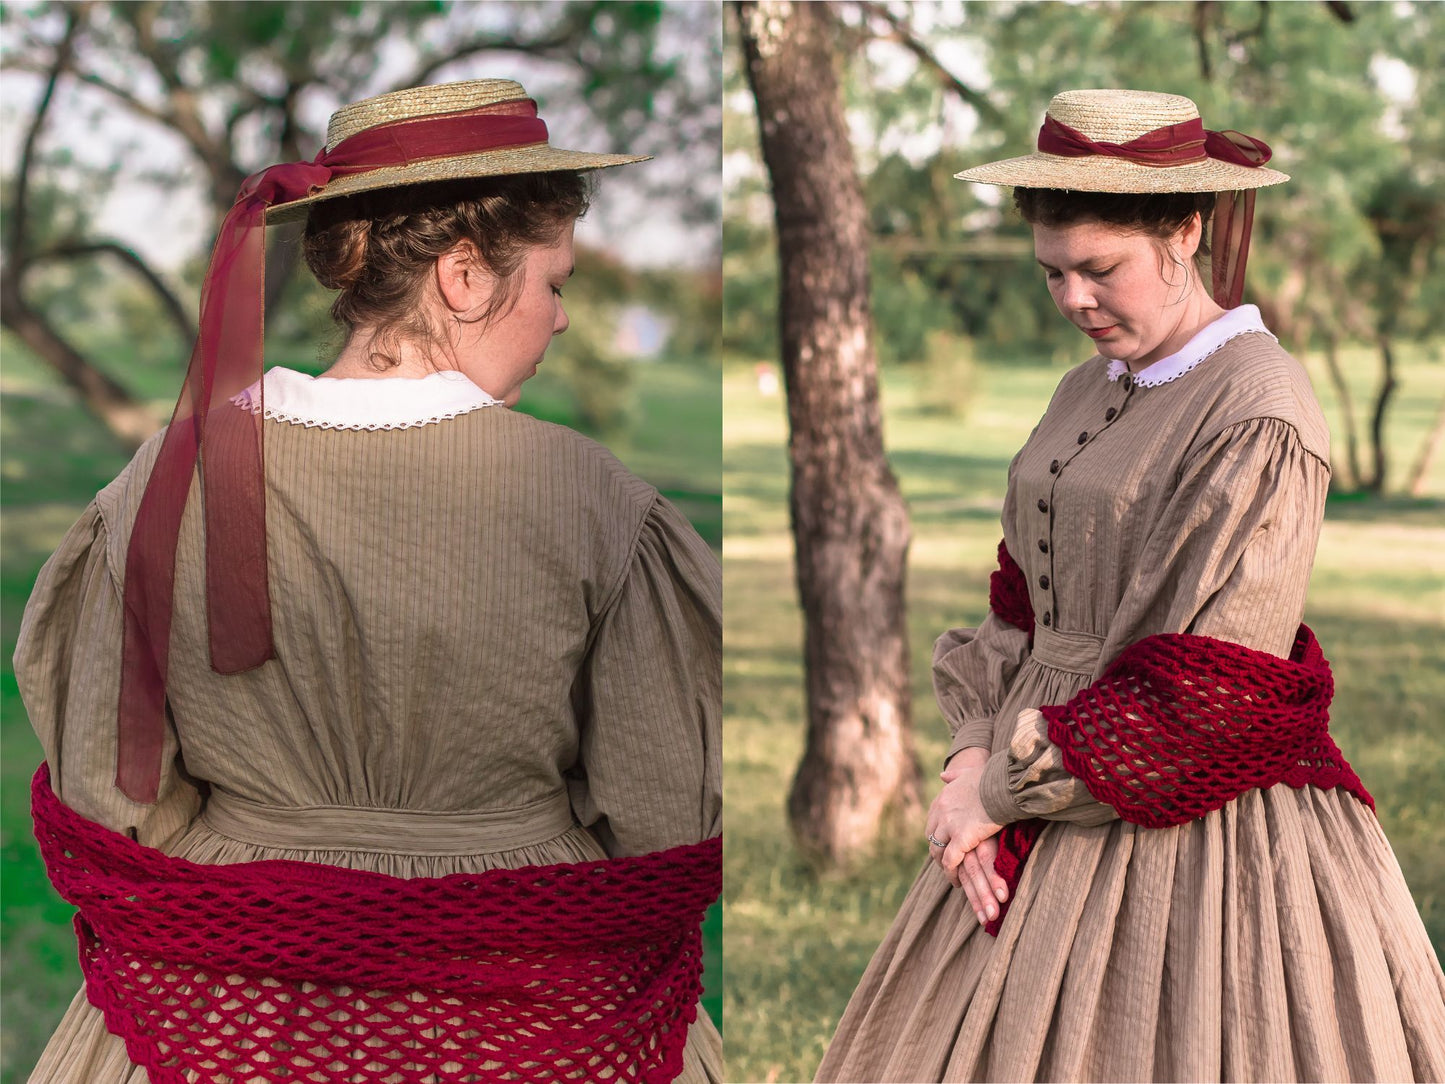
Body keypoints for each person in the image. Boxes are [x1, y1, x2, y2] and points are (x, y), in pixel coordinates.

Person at [18, 79, 721, 1083]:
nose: (561, 320)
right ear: (466, 275)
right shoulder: (598, 503)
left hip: (232, 1006)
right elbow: (662, 822)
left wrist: (266, 862)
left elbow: (114, 794)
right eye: (554, 283)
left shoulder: (155, 487)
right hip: (527, 1011)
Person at [816, 89, 1445, 1083]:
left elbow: (1207, 694)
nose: (1071, 299)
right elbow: (1021, 603)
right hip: (1021, 777)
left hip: (1182, 812)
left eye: (1098, 269)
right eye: (1051, 273)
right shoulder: (1088, 384)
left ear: (1184, 229)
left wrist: (997, 788)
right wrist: (966, 759)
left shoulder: (1256, 410)